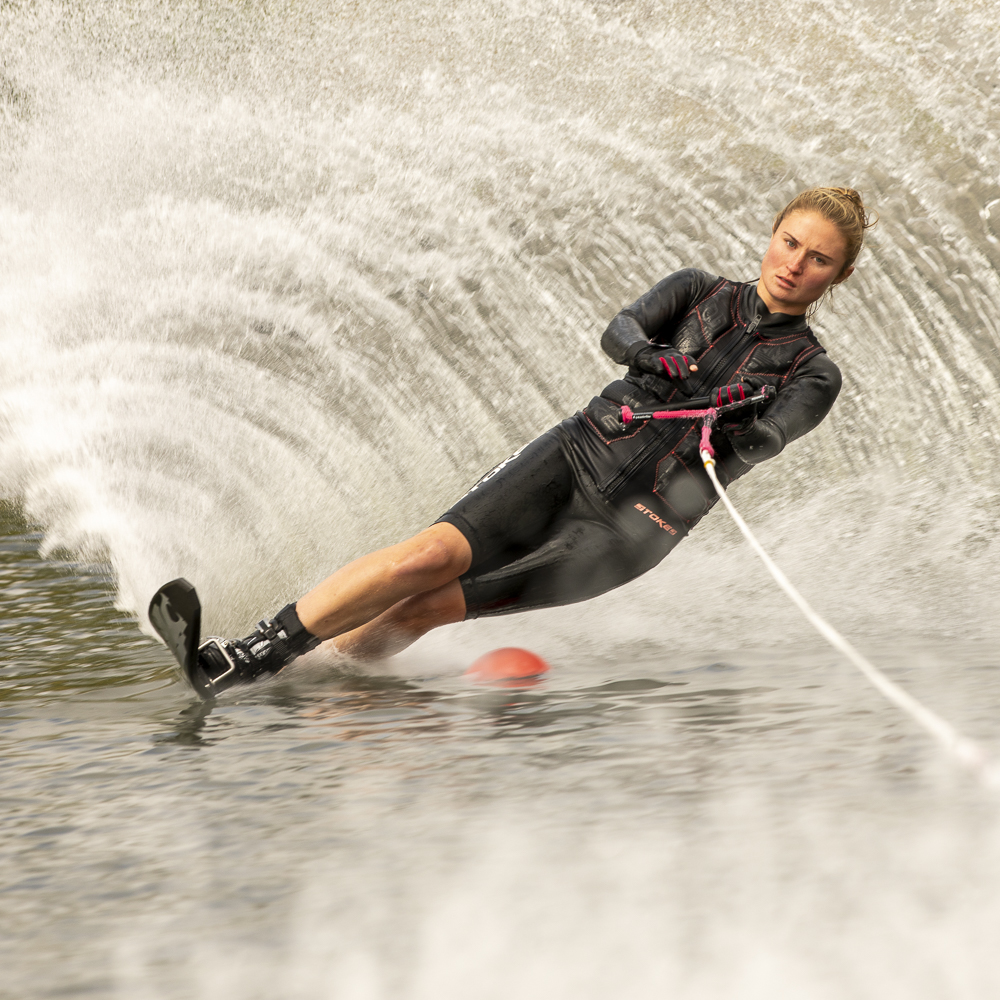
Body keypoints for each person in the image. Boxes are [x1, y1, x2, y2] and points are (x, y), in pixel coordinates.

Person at [194, 186, 875, 695]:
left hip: (637, 525)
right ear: (773, 234)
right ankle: (255, 654)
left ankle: (324, 672)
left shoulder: (813, 372)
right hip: (574, 453)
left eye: (818, 260)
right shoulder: (699, 291)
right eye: (790, 242)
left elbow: (774, 437)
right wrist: (645, 356)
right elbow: (621, 330)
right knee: (425, 558)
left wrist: (743, 418)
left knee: (431, 606)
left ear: (838, 277)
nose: (795, 264)